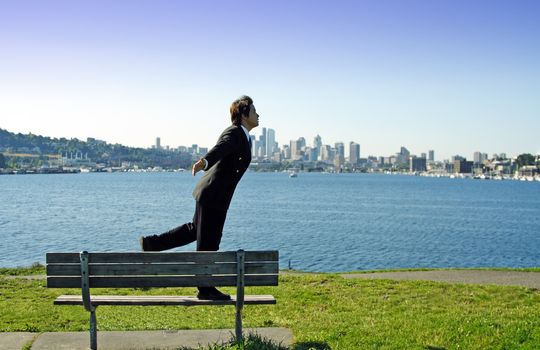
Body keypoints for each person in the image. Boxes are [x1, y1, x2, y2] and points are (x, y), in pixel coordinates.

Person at [139, 95, 259, 300]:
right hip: (213, 194)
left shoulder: (244, 136)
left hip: (216, 195)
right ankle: (205, 288)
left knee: (196, 231)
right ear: (244, 114)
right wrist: (204, 162)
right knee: (209, 241)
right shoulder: (234, 132)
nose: (258, 114)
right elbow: (220, 149)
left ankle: (151, 244)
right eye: (255, 111)